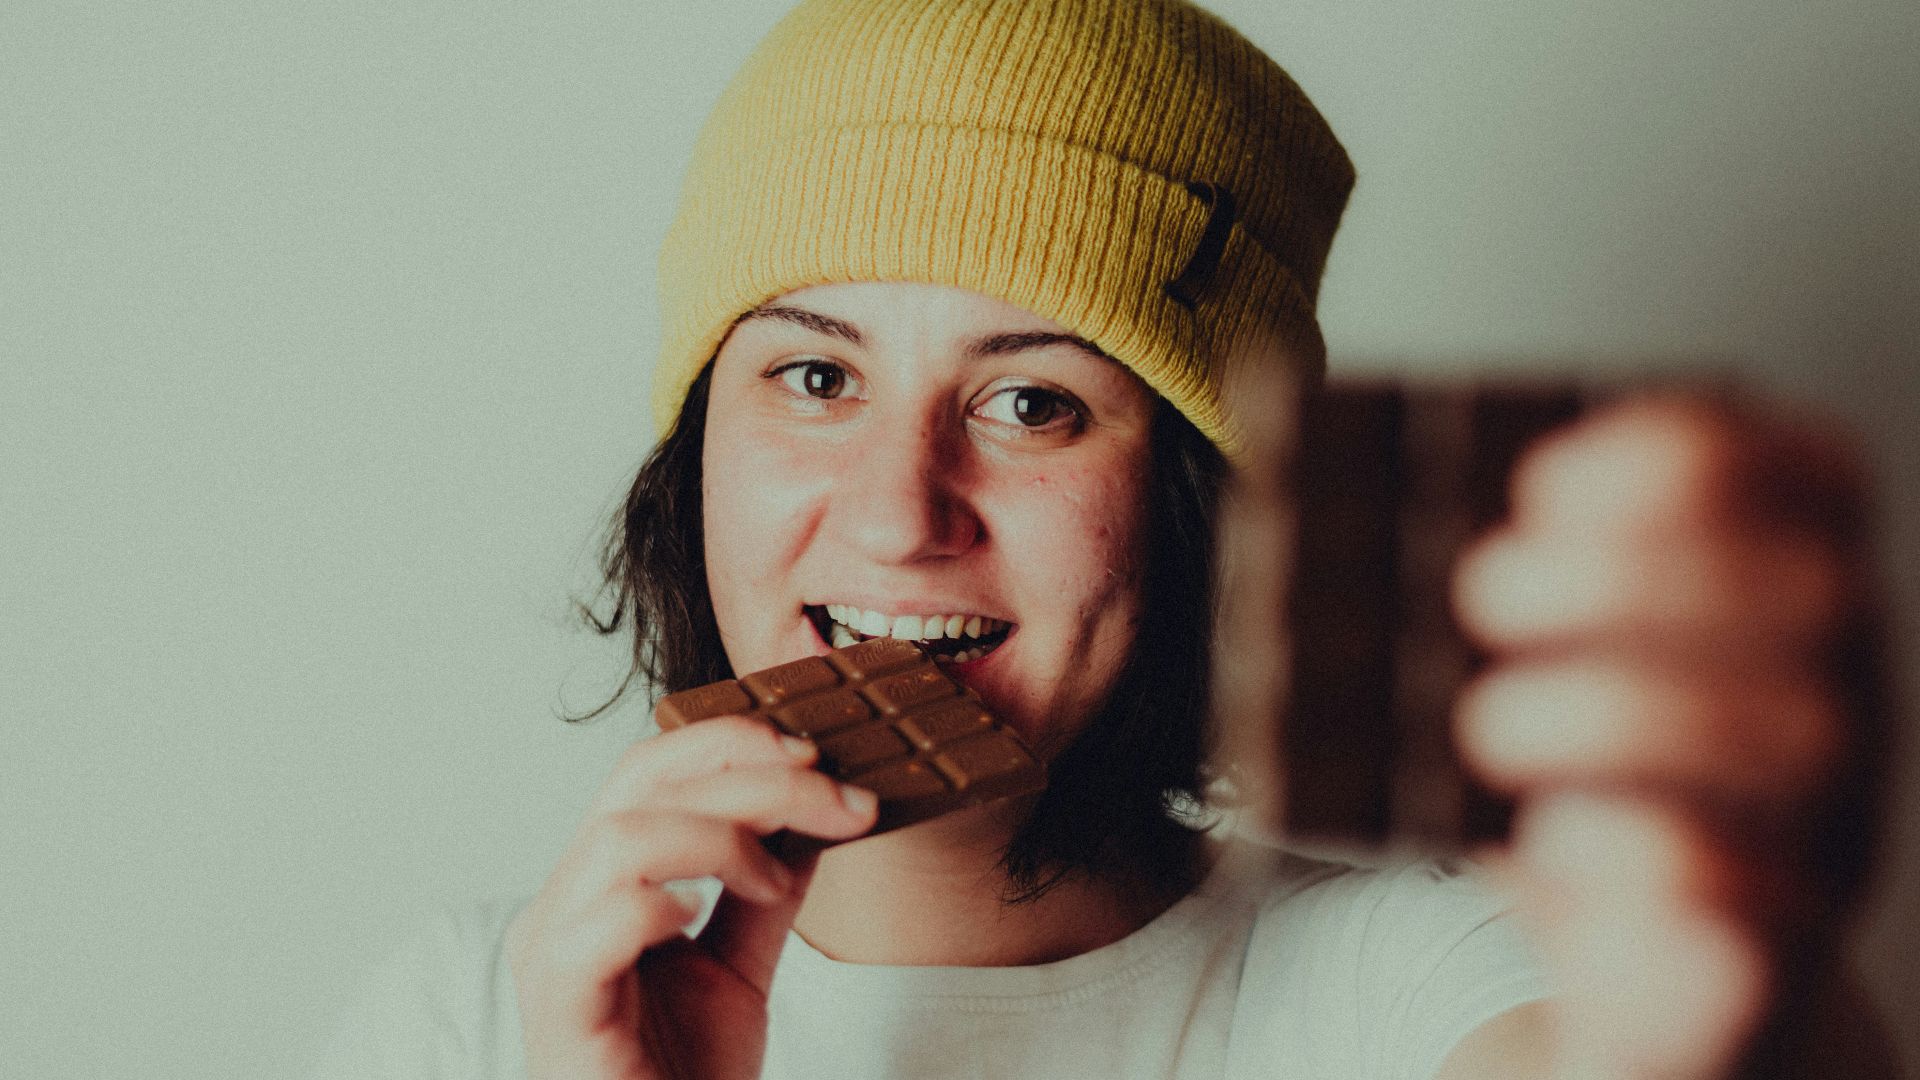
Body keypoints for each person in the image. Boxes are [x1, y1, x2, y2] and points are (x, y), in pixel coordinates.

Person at [315, 1, 1895, 1077]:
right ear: (697, 453)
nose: (897, 515)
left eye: (1034, 405)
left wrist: (1735, 1001)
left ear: (1201, 501)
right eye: (815, 378)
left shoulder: (1421, 986)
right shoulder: (476, 1020)